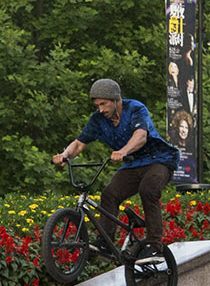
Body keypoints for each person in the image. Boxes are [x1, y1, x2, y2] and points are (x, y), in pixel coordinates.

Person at [54, 78, 177, 258]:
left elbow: (141, 136)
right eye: (97, 105)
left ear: (115, 99)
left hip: (159, 160)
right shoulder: (98, 120)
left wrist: (123, 151)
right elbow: (79, 143)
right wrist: (65, 154)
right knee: (109, 194)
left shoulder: (135, 108)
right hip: (133, 164)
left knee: (148, 190)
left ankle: (154, 245)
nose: (100, 109)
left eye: (103, 104)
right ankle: (105, 243)